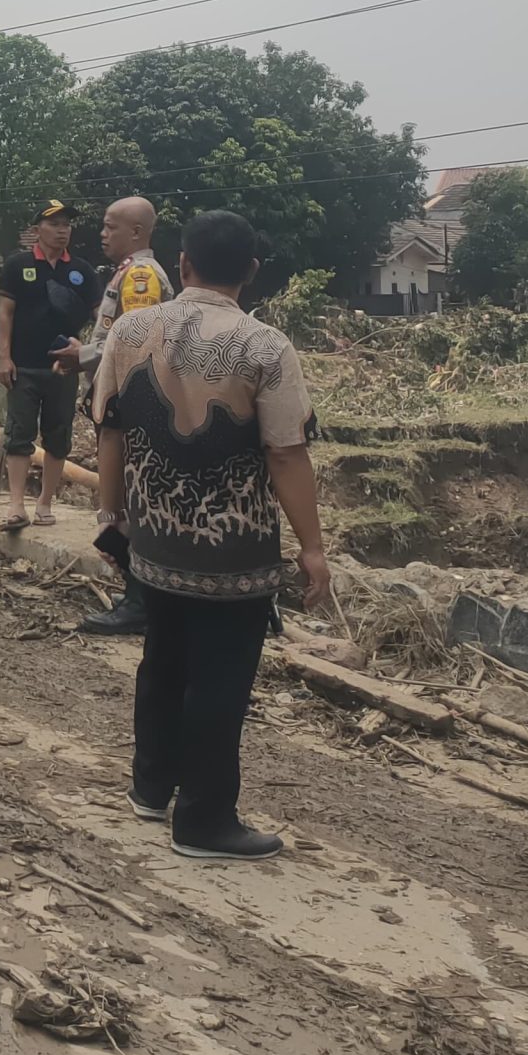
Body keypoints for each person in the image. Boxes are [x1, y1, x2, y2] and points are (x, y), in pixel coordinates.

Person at [93, 209, 329, 861]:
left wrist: (112, 517)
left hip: (153, 542)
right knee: (220, 680)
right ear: (251, 273)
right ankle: (203, 819)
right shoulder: (264, 347)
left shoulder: (131, 331)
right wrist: (311, 547)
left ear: (184, 265)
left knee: (163, 659)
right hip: (233, 555)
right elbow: (285, 453)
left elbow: (110, 430)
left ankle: (150, 787)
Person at [60, 195, 174, 636]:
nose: (102, 234)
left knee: (125, 504)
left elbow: (136, 340)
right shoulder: (129, 272)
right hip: (124, 398)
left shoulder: (141, 274)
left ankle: (140, 601)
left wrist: (82, 354)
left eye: (110, 227)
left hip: (129, 400)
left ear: (137, 232)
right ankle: (140, 596)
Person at [0, 200, 98, 531]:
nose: (62, 230)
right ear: (36, 228)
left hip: (64, 369)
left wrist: (90, 348)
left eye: (67, 224)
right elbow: (6, 314)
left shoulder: (81, 270)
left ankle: (45, 503)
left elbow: (102, 317)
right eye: (54, 224)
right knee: (19, 433)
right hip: (23, 367)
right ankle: (15, 506)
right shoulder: (17, 265)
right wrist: (5, 357)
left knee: (58, 436)